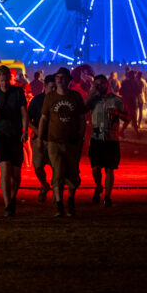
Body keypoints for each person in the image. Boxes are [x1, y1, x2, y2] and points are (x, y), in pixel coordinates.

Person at [38, 67, 85, 217]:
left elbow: (82, 119)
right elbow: (43, 119)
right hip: (54, 141)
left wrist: (81, 136)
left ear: (69, 80)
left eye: (63, 77)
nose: (60, 80)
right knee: (57, 172)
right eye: (58, 77)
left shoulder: (75, 97)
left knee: (72, 173)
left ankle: (70, 202)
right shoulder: (50, 97)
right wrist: (40, 138)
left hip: (72, 142)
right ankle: (59, 205)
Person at [0, 65, 28, 217]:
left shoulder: (18, 92)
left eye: (6, 80)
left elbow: (24, 113)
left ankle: (12, 198)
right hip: (0, 135)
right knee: (5, 168)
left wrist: (25, 131)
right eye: (2, 80)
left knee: (16, 175)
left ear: (10, 78)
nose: (4, 83)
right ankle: (7, 204)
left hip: (15, 135)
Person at [85, 74, 127, 207]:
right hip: (96, 137)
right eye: (97, 84)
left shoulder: (116, 100)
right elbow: (82, 108)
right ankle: (98, 186)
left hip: (111, 139)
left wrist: (118, 115)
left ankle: (107, 197)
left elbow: (128, 117)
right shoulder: (94, 99)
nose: (100, 86)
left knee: (110, 168)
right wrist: (91, 92)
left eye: (102, 83)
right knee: (95, 168)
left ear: (107, 84)